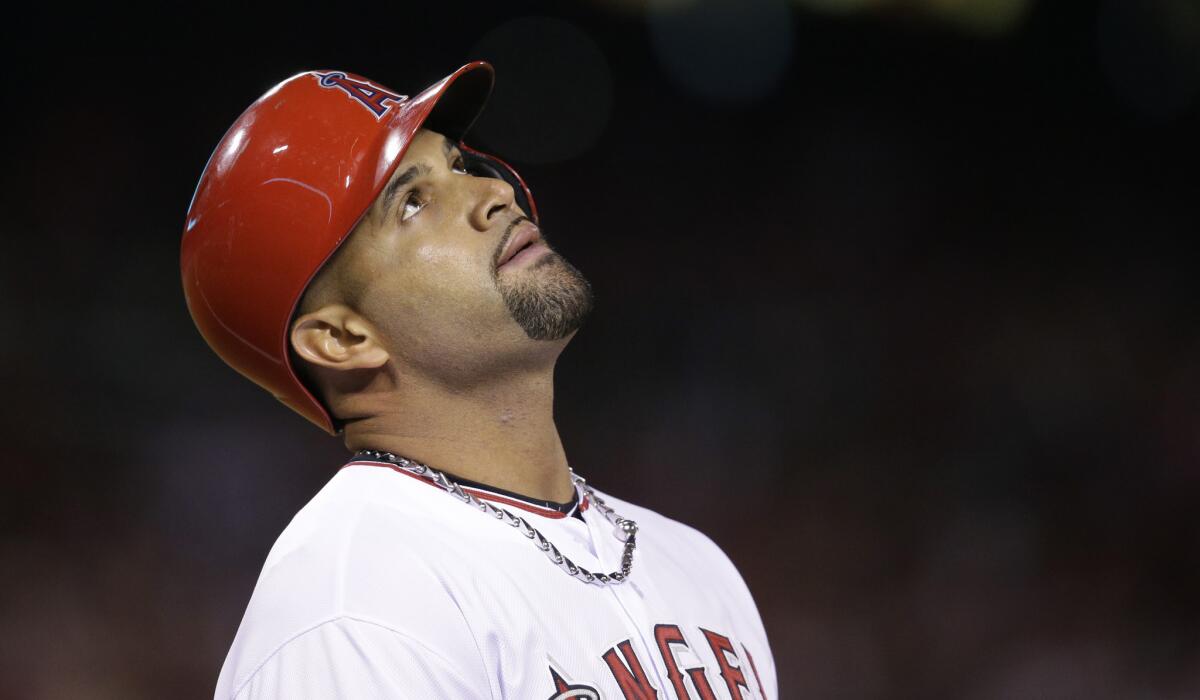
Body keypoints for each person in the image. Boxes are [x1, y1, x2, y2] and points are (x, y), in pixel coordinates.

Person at [181, 62, 776, 700]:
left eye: (462, 166)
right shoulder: (354, 604)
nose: (494, 195)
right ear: (343, 339)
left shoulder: (694, 566)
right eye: (412, 202)